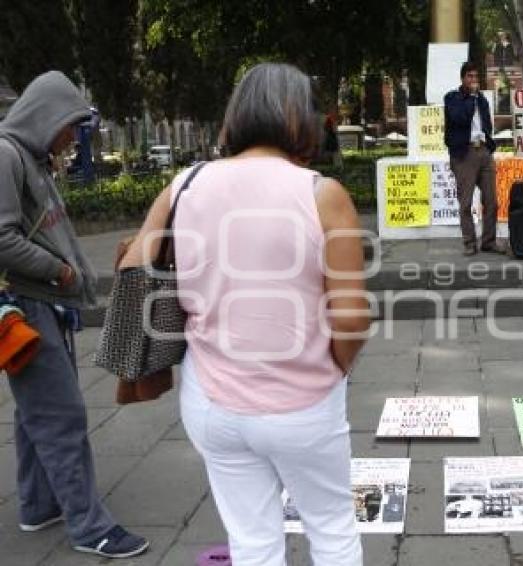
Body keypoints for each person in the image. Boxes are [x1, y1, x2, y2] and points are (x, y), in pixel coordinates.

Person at [119, 62, 368, 565]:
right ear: (302, 118)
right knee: (333, 529)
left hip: (211, 402)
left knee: (253, 541)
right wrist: (335, 369)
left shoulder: (183, 186)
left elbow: (132, 267)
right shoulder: (323, 195)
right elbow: (351, 318)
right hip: (303, 402)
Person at [0, 71, 149, 558]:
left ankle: (38, 504)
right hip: (28, 303)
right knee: (61, 415)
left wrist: (67, 279)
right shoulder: (6, 155)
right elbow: (2, 239)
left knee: (35, 413)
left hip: (42, 302)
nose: (72, 137)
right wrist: (60, 273)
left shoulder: (30, 159)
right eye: (69, 126)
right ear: (46, 117)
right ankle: (90, 528)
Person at [444, 61, 505, 256]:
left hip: (483, 151)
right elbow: (460, 118)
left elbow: (486, 124)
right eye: (470, 77)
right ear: (462, 78)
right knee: (466, 203)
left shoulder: (481, 99)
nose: (474, 80)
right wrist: (471, 97)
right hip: (464, 153)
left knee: (492, 201)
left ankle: (489, 241)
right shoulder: (453, 98)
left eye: (476, 77)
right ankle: (469, 243)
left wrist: (488, 144)